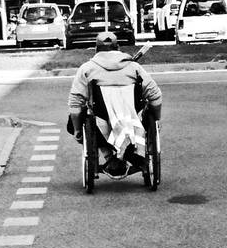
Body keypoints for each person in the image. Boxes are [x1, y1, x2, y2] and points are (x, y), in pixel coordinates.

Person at [68, 32, 162, 177]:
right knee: (146, 111)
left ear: (96, 49)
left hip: (101, 123)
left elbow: (76, 102)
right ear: (118, 47)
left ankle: (109, 157)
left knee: (78, 120)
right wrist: (156, 118)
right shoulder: (134, 67)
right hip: (132, 122)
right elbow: (155, 95)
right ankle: (133, 155)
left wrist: (76, 130)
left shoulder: (86, 69)